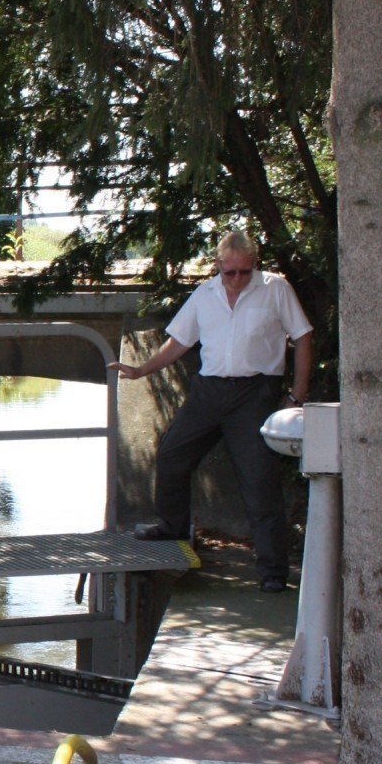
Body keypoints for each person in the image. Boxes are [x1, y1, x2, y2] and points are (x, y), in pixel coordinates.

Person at [109, 230, 313, 591]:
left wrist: (296, 396)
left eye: (244, 272)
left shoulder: (275, 289)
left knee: (258, 480)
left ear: (255, 266)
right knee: (172, 453)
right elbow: (180, 342)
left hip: (255, 392)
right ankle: (171, 526)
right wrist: (141, 370)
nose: (236, 279)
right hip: (210, 390)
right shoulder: (205, 294)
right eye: (229, 272)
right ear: (218, 266)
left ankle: (272, 571)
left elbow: (303, 336)